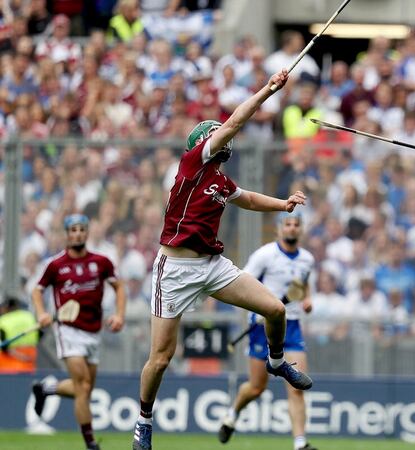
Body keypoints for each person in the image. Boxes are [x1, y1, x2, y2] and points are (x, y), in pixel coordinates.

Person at [132, 68, 313, 450]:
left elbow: (246, 199)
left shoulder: (219, 179)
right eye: (215, 134)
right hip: (175, 269)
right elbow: (233, 123)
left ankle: (277, 361)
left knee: (275, 310)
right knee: (161, 357)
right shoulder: (193, 162)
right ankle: (143, 421)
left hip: (212, 266)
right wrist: (267, 90)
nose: (223, 137)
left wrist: (283, 204)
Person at [218, 213, 316, 450]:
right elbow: (242, 284)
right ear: (279, 229)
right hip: (263, 326)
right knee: (256, 387)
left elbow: (302, 286)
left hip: (291, 326)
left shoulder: (307, 259)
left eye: (296, 225)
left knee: (297, 386)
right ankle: (232, 414)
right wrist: (259, 308)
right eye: (288, 224)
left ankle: (300, 443)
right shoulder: (265, 255)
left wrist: (307, 299)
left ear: (301, 230)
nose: (292, 229)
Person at [31, 214, 127, 450]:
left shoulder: (102, 262)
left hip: (93, 331)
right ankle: (90, 443)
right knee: (83, 386)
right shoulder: (55, 265)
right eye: (73, 230)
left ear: (87, 233)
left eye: (82, 229)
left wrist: (119, 315)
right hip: (68, 330)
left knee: (83, 388)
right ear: (67, 233)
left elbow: (119, 287)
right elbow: (37, 290)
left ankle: (45, 389)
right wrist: (42, 313)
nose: (77, 234)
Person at [0, 296, 39, 373]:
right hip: (29, 363)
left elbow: (4, 346)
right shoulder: (29, 317)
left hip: (8, 366)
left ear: (6, 308)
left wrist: (19, 355)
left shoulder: (3, 321)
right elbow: (39, 334)